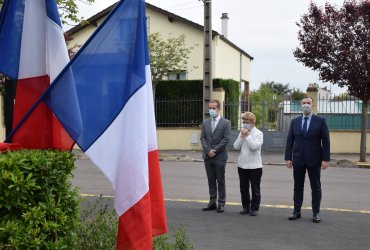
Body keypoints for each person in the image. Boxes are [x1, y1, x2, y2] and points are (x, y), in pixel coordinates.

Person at [285, 96, 330, 223]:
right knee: (297, 186)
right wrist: (288, 157)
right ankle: (296, 211)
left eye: (308, 103)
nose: (306, 105)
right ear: (301, 105)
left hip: (315, 159)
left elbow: (326, 141)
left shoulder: (320, 121)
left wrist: (326, 159)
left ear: (313, 105)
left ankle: (316, 213)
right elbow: (290, 141)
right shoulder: (295, 122)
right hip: (298, 159)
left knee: (315, 187)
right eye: (304, 103)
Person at [200, 99, 231, 213]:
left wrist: (215, 150)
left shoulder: (226, 123)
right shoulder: (205, 122)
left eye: (213, 108)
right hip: (208, 156)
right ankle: (212, 202)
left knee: (220, 180)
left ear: (218, 109)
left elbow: (226, 139)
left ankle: (221, 203)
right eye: (210, 108)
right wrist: (208, 150)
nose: (211, 110)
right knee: (211, 180)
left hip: (220, 156)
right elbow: (202, 138)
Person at [233, 112, 263, 216]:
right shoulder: (242, 132)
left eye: (247, 122)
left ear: (253, 122)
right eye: (243, 122)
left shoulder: (259, 133)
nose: (244, 124)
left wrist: (248, 136)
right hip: (242, 165)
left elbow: (254, 147)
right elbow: (236, 146)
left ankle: (254, 208)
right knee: (243, 188)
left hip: (255, 166)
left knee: (255, 188)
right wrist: (241, 136)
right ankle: (245, 207)